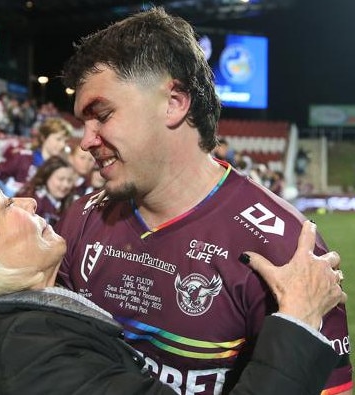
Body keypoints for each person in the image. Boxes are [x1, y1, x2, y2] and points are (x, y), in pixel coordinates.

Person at [55, 7, 352, 394]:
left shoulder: (282, 251)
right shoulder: (81, 219)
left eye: (102, 114)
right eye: (83, 121)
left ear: (174, 103)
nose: (86, 139)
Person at [0, 165, 345, 395]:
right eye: (5, 205)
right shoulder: (35, 361)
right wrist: (299, 321)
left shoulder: (11, 341)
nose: (30, 204)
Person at [0, 116, 73, 197]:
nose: (62, 145)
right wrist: (6, 197)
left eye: (65, 141)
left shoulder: (61, 167)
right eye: (58, 139)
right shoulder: (23, 157)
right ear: (44, 137)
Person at [16, 155, 76, 226]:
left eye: (69, 180)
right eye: (61, 179)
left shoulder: (70, 204)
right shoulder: (31, 200)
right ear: (47, 176)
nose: (66, 185)